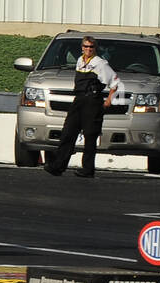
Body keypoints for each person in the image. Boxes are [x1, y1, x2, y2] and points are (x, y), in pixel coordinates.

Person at [45, 36, 121, 178]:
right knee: (68, 132)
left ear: (95, 48)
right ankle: (58, 166)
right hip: (79, 100)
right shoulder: (80, 61)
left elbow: (115, 82)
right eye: (85, 46)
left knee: (90, 136)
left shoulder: (100, 63)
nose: (88, 49)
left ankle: (87, 169)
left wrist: (109, 100)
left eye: (91, 47)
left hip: (92, 101)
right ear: (82, 47)